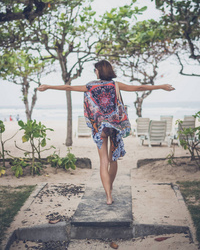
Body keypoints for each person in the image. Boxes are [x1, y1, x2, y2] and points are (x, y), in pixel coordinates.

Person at [37, 60, 175, 205]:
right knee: (113, 160)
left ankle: (108, 196)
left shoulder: (90, 86)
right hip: (114, 126)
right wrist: (161, 86)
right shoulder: (115, 84)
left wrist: (48, 87)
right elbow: (139, 87)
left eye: (95, 70)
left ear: (99, 71)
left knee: (103, 162)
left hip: (100, 127)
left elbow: (69, 87)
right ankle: (110, 185)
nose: (95, 72)